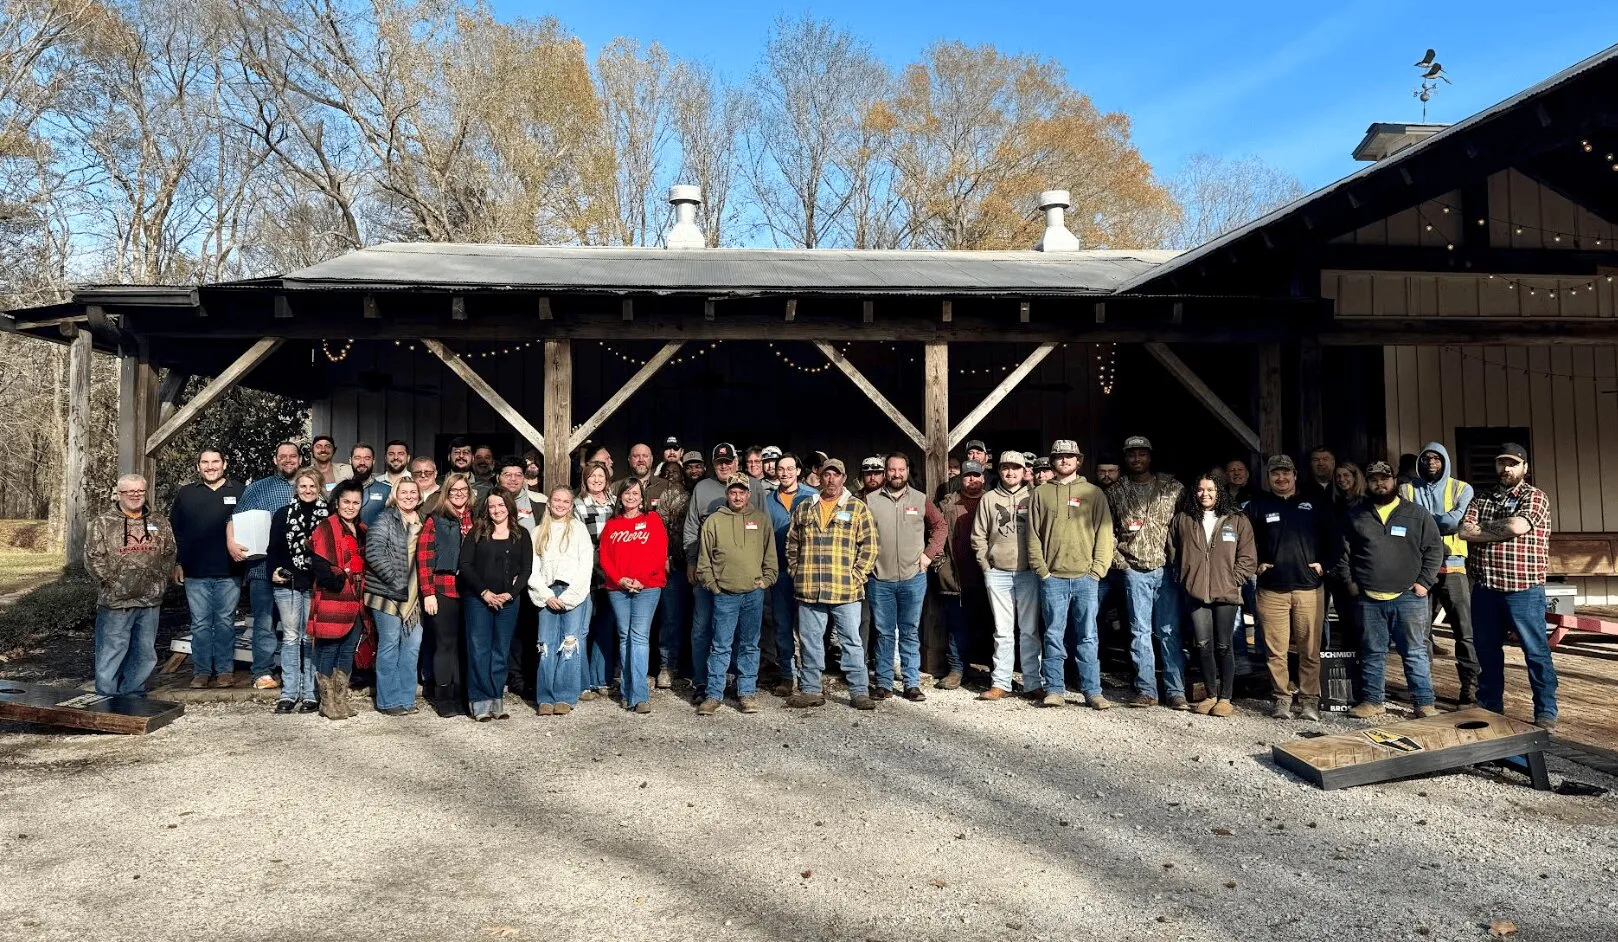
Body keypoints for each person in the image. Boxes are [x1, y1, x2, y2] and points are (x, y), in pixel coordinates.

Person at [1460, 443, 1558, 731]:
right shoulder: (1482, 498)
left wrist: (1486, 529)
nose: (1506, 469)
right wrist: (1499, 527)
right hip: (1487, 589)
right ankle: (1490, 709)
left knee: (1536, 652)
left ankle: (1545, 710)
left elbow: (1518, 527)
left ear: (1525, 468)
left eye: (1513, 463)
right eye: (1502, 463)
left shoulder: (1536, 497)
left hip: (1524, 590)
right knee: (1487, 652)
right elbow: (1465, 530)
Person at [1339, 460, 1444, 720]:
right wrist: (1352, 585)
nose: (1379, 484)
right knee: (1372, 652)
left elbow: (1434, 549)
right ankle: (1373, 701)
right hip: (1369, 598)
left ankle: (1423, 703)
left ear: (1394, 481)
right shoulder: (1355, 514)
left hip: (1408, 597)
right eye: (1374, 479)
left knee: (1415, 652)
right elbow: (1343, 554)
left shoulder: (1417, 514)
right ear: (1368, 482)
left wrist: (1424, 582)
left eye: (1384, 479)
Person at [1247, 455, 1336, 720]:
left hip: (1309, 589)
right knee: (1276, 651)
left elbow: (1336, 538)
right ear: (1269, 477)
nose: (1281, 478)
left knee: (1310, 649)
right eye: (1275, 474)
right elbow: (1242, 539)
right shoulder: (1257, 506)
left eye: (1286, 473)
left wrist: (1325, 565)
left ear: (1295, 475)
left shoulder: (1316, 503)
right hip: (1271, 590)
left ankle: (1309, 700)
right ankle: (1282, 699)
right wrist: (1255, 565)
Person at [1026, 440, 1114, 709]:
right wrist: (1042, 571)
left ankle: (1092, 691)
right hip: (1053, 578)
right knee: (1053, 634)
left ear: (1079, 460)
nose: (1064, 461)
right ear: (1052, 461)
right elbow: (1032, 535)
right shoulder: (1040, 494)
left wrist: (1097, 570)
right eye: (1059, 457)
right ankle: (1055, 689)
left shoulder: (1094, 493)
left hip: (1086, 578)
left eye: (1069, 457)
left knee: (1088, 635)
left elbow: (1105, 534)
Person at [785, 458, 878, 711]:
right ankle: (811, 690)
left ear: (844, 478)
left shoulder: (857, 508)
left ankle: (859, 691)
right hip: (809, 588)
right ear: (820, 477)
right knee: (810, 641)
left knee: (851, 641)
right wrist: (796, 571)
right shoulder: (805, 507)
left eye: (836, 475)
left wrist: (857, 575)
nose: (831, 480)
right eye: (827, 475)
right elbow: (792, 542)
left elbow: (869, 546)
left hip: (844, 589)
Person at [1106, 435, 1188, 709]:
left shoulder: (1173, 487)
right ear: (1125, 458)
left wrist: (1182, 564)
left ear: (1150, 457)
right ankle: (1146, 690)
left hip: (1166, 571)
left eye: (1141, 454)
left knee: (1169, 631)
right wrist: (1122, 564)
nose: (1136, 459)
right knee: (1139, 632)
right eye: (1131, 455)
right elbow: (1106, 532)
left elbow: (1188, 525)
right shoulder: (1116, 491)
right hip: (1134, 570)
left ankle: (1176, 691)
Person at [1400, 442, 1480, 704]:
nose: (1431, 463)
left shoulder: (1462, 488)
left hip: (1455, 568)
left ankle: (1470, 689)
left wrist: (1426, 520)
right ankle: (1423, 690)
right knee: (1420, 635)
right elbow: (1410, 521)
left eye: (1436, 459)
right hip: (1420, 570)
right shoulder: (1407, 488)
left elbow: (1457, 520)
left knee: (1464, 632)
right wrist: (1441, 520)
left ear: (1444, 462)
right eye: (1426, 459)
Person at [85, 474, 176, 698]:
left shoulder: (160, 522)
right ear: (119, 494)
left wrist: (159, 582)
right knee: (112, 651)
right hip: (117, 601)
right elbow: (92, 557)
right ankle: (106, 697)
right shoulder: (103, 523)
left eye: (140, 491)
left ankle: (133, 696)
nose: (135, 495)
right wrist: (112, 583)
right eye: (130, 491)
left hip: (149, 599)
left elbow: (169, 553)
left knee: (144, 653)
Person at [1172, 471, 1255, 718]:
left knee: (1224, 645)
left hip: (1226, 593)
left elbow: (1248, 556)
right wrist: (1184, 578)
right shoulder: (1184, 519)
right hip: (1196, 592)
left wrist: (1233, 580)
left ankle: (1226, 697)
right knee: (1202, 644)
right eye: (1200, 489)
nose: (1204, 494)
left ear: (1219, 492)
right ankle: (1210, 694)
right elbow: (1173, 551)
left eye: (1210, 490)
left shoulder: (1237, 519)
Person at [865, 453, 947, 701]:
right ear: (885, 472)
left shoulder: (921, 500)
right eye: (892, 470)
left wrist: (928, 555)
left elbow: (941, 526)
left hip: (913, 577)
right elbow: (859, 534)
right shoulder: (870, 500)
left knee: (910, 631)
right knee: (884, 632)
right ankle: (884, 683)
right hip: (880, 578)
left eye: (901, 469)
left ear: (908, 470)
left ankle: (911, 683)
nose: (896, 474)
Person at [695, 476, 777, 715]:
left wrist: (766, 580)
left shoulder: (760, 520)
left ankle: (747, 692)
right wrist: (713, 585)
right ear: (727, 494)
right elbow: (704, 560)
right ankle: (713, 694)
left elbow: (770, 555)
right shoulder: (714, 521)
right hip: (725, 594)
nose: (738, 497)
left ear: (749, 494)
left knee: (750, 644)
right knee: (720, 645)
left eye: (742, 492)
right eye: (733, 493)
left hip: (753, 593)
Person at [228, 441, 301, 690]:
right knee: (264, 622)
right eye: (283, 456)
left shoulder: (310, 486)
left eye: (293, 456)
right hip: (262, 568)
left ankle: (297, 671)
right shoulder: (258, 488)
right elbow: (235, 518)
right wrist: (231, 542)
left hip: (298, 569)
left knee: (297, 624)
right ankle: (263, 672)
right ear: (275, 460)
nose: (288, 460)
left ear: (300, 460)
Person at [169, 448, 243, 688]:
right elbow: (175, 532)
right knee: (200, 623)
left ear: (224, 463)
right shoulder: (186, 494)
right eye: (205, 462)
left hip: (229, 571)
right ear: (198, 466)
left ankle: (224, 671)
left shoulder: (240, 491)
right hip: (195, 572)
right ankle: (201, 672)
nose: (211, 466)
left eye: (215, 461)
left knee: (224, 621)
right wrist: (178, 563)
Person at [460, 491, 534, 721]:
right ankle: (479, 699)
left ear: (509, 506)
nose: (497, 510)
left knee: (501, 650)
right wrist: (484, 592)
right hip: (479, 599)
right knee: (479, 649)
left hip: (508, 601)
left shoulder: (521, 534)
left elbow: (526, 569)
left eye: (501, 505)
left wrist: (510, 594)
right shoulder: (477, 532)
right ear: (486, 509)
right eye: (492, 506)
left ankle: (496, 698)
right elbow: (465, 565)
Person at [972, 453, 1040, 701]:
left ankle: (1033, 682)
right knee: (1002, 631)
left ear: (1024, 471)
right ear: (999, 471)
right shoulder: (989, 499)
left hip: (1028, 573)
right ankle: (1001, 683)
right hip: (998, 572)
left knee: (1030, 630)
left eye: (1015, 468)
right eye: (1005, 468)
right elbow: (978, 535)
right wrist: (985, 565)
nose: (1010, 473)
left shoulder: (1034, 496)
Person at [599, 479, 668, 714]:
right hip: (618, 588)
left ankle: (639, 695)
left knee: (638, 637)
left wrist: (641, 577)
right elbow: (605, 557)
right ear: (620, 497)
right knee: (624, 636)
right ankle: (628, 691)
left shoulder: (652, 520)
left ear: (642, 497)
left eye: (635, 493)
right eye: (626, 493)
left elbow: (660, 552)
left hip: (647, 587)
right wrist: (620, 579)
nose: (631, 497)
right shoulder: (612, 525)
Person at [265, 469, 329, 713]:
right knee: (291, 638)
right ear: (297, 488)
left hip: (315, 583)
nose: (308, 491)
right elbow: (273, 549)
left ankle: (310, 693)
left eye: (312, 486)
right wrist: (273, 571)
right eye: (303, 486)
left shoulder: (328, 515)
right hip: (289, 583)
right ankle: (289, 693)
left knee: (311, 638)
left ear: (319, 487)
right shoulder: (284, 514)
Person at [306, 480, 368, 720]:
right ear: (337, 502)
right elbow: (319, 564)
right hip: (334, 596)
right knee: (328, 648)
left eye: (355, 502)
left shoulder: (361, 529)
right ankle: (327, 702)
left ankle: (341, 700)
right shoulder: (325, 528)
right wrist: (339, 582)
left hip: (356, 599)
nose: (350, 507)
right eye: (346, 502)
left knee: (347, 648)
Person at [684, 443, 741, 700]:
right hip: (707, 572)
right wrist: (691, 561)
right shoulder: (702, 488)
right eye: (719, 463)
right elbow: (692, 527)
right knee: (702, 628)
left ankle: (733, 679)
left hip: (738, 575)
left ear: (736, 462)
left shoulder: (750, 488)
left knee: (737, 630)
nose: (724, 466)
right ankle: (702, 682)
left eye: (728, 461)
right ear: (713, 465)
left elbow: (763, 530)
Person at [527, 487, 591, 717]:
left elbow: (585, 567)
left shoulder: (578, 530)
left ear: (571, 505)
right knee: (545, 645)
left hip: (572, 591)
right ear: (549, 502)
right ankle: (545, 696)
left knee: (569, 643)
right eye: (557, 500)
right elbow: (532, 569)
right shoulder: (537, 532)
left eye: (566, 501)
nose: (561, 504)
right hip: (547, 591)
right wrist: (546, 595)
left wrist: (568, 597)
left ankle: (565, 694)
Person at [364, 478, 426, 716]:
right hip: (387, 594)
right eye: (404, 492)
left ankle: (407, 698)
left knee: (411, 647)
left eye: (413, 492)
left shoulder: (423, 521)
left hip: (415, 597)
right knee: (389, 645)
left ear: (419, 496)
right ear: (395, 495)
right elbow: (374, 553)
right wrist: (397, 580)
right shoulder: (384, 519)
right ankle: (388, 701)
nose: (409, 496)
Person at [418, 472, 474, 716]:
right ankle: (443, 698)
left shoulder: (476, 519)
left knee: (464, 645)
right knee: (445, 644)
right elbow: (424, 558)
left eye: (463, 490)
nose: (459, 494)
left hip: (471, 591)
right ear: (446, 494)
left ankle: (460, 696)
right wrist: (428, 592)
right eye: (454, 490)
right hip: (443, 588)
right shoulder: (435, 519)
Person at [764, 453, 817, 695]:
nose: (785, 473)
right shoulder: (767, 501)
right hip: (780, 571)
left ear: (798, 471)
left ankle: (810, 677)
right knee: (782, 624)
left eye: (789, 469)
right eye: (780, 469)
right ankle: (787, 675)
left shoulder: (812, 497)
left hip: (806, 571)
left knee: (808, 626)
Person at [936, 458, 987, 690]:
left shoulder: (992, 501)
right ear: (961, 478)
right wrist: (938, 562)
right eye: (967, 476)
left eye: (976, 475)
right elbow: (934, 532)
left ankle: (985, 669)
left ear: (983, 477)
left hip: (986, 573)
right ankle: (956, 669)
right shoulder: (948, 504)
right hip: (955, 573)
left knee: (987, 625)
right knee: (956, 625)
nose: (972, 480)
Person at [574, 461, 617, 699]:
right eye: (592, 476)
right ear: (585, 480)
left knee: (605, 627)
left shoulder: (614, 503)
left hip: (612, 575)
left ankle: (602, 678)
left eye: (601, 476)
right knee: (584, 627)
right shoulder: (579, 505)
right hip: (590, 574)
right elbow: (580, 542)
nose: (597, 480)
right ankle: (582, 681)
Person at [655, 461, 692, 689]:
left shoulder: (694, 495)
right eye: (667, 473)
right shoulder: (665, 498)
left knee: (694, 620)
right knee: (670, 618)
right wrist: (665, 556)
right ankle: (667, 666)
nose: (672, 476)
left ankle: (691, 668)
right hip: (673, 566)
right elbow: (660, 530)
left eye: (676, 472)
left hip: (697, 564)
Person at [613, 443, 673, 514]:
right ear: (629, 459)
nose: (641, 460)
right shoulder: (616, 487)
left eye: (645, 456)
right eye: (636, 456)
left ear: (651, 459)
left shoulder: (666, 486)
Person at [347, 444, 393, 527]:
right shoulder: (341, 489)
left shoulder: (387, 491)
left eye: (367, 458)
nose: (362, 462)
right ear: (350, 461)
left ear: (373, 462)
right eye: (357, 458)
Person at [494, 456, 537, 534]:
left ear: (524, 477)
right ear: (498, 478)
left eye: (518, 475)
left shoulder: (539, 500)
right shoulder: (487, 500)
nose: (513, 479)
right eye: (507, 475)